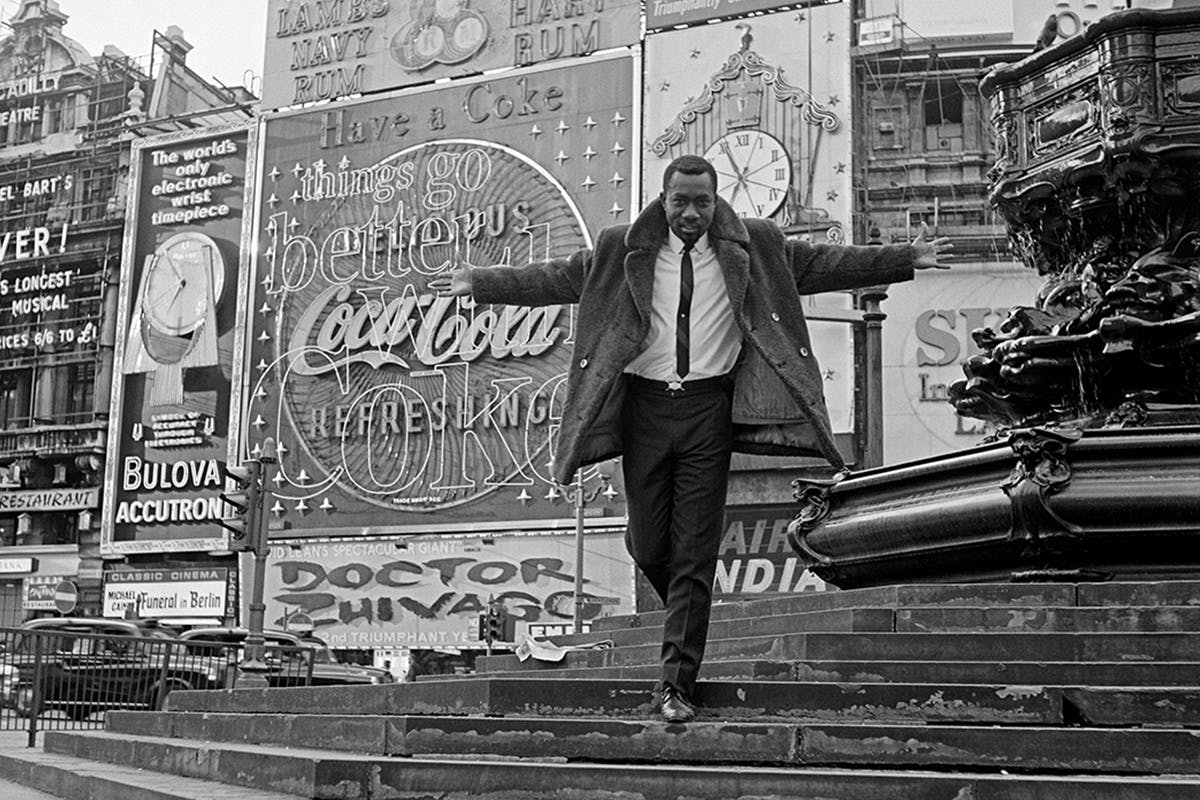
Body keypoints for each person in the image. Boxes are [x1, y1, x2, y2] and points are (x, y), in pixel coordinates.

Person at [431, 154, 951, 723]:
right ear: (663, 198)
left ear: (716, 198)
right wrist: (480, 283)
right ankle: (689, 604)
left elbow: (823, 262)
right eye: (680, 201)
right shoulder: (618, 247)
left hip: (709, 411)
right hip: (644, 412)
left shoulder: (754, 244)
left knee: (695, 555)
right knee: (652, 547)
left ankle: (676, 686)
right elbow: (558, 277)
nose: (691, 213)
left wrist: (905, 258)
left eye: (702, 202)